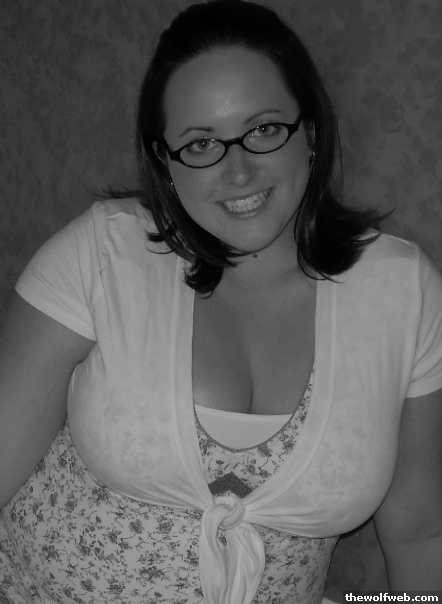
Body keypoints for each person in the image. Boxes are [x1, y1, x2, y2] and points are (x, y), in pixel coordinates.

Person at [1, 0, 441, 602]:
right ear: (165, 162)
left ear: (311, 133)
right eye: (201, 143)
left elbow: (420, 537)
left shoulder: (403, 291)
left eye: (263, 130)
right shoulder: (104, 253)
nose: (238, 172)